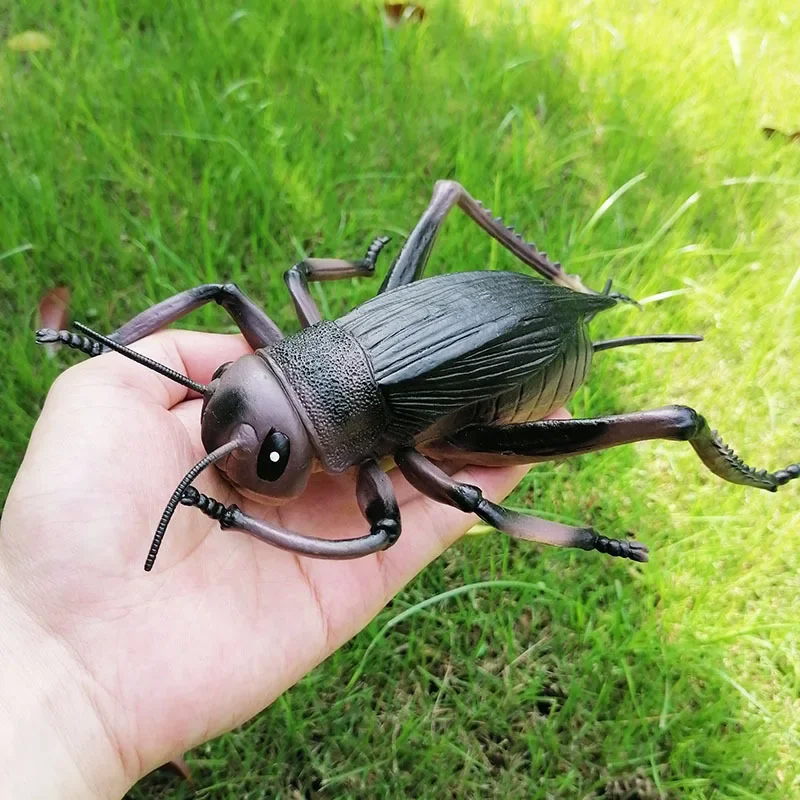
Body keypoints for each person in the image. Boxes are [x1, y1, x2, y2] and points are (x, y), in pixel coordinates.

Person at [0, 329, 567, 798]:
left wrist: (234, 516)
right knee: (460, 507)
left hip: (514, 367)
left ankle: (589, 532)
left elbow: (382, 533)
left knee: (455, 507)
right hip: (438, 325)